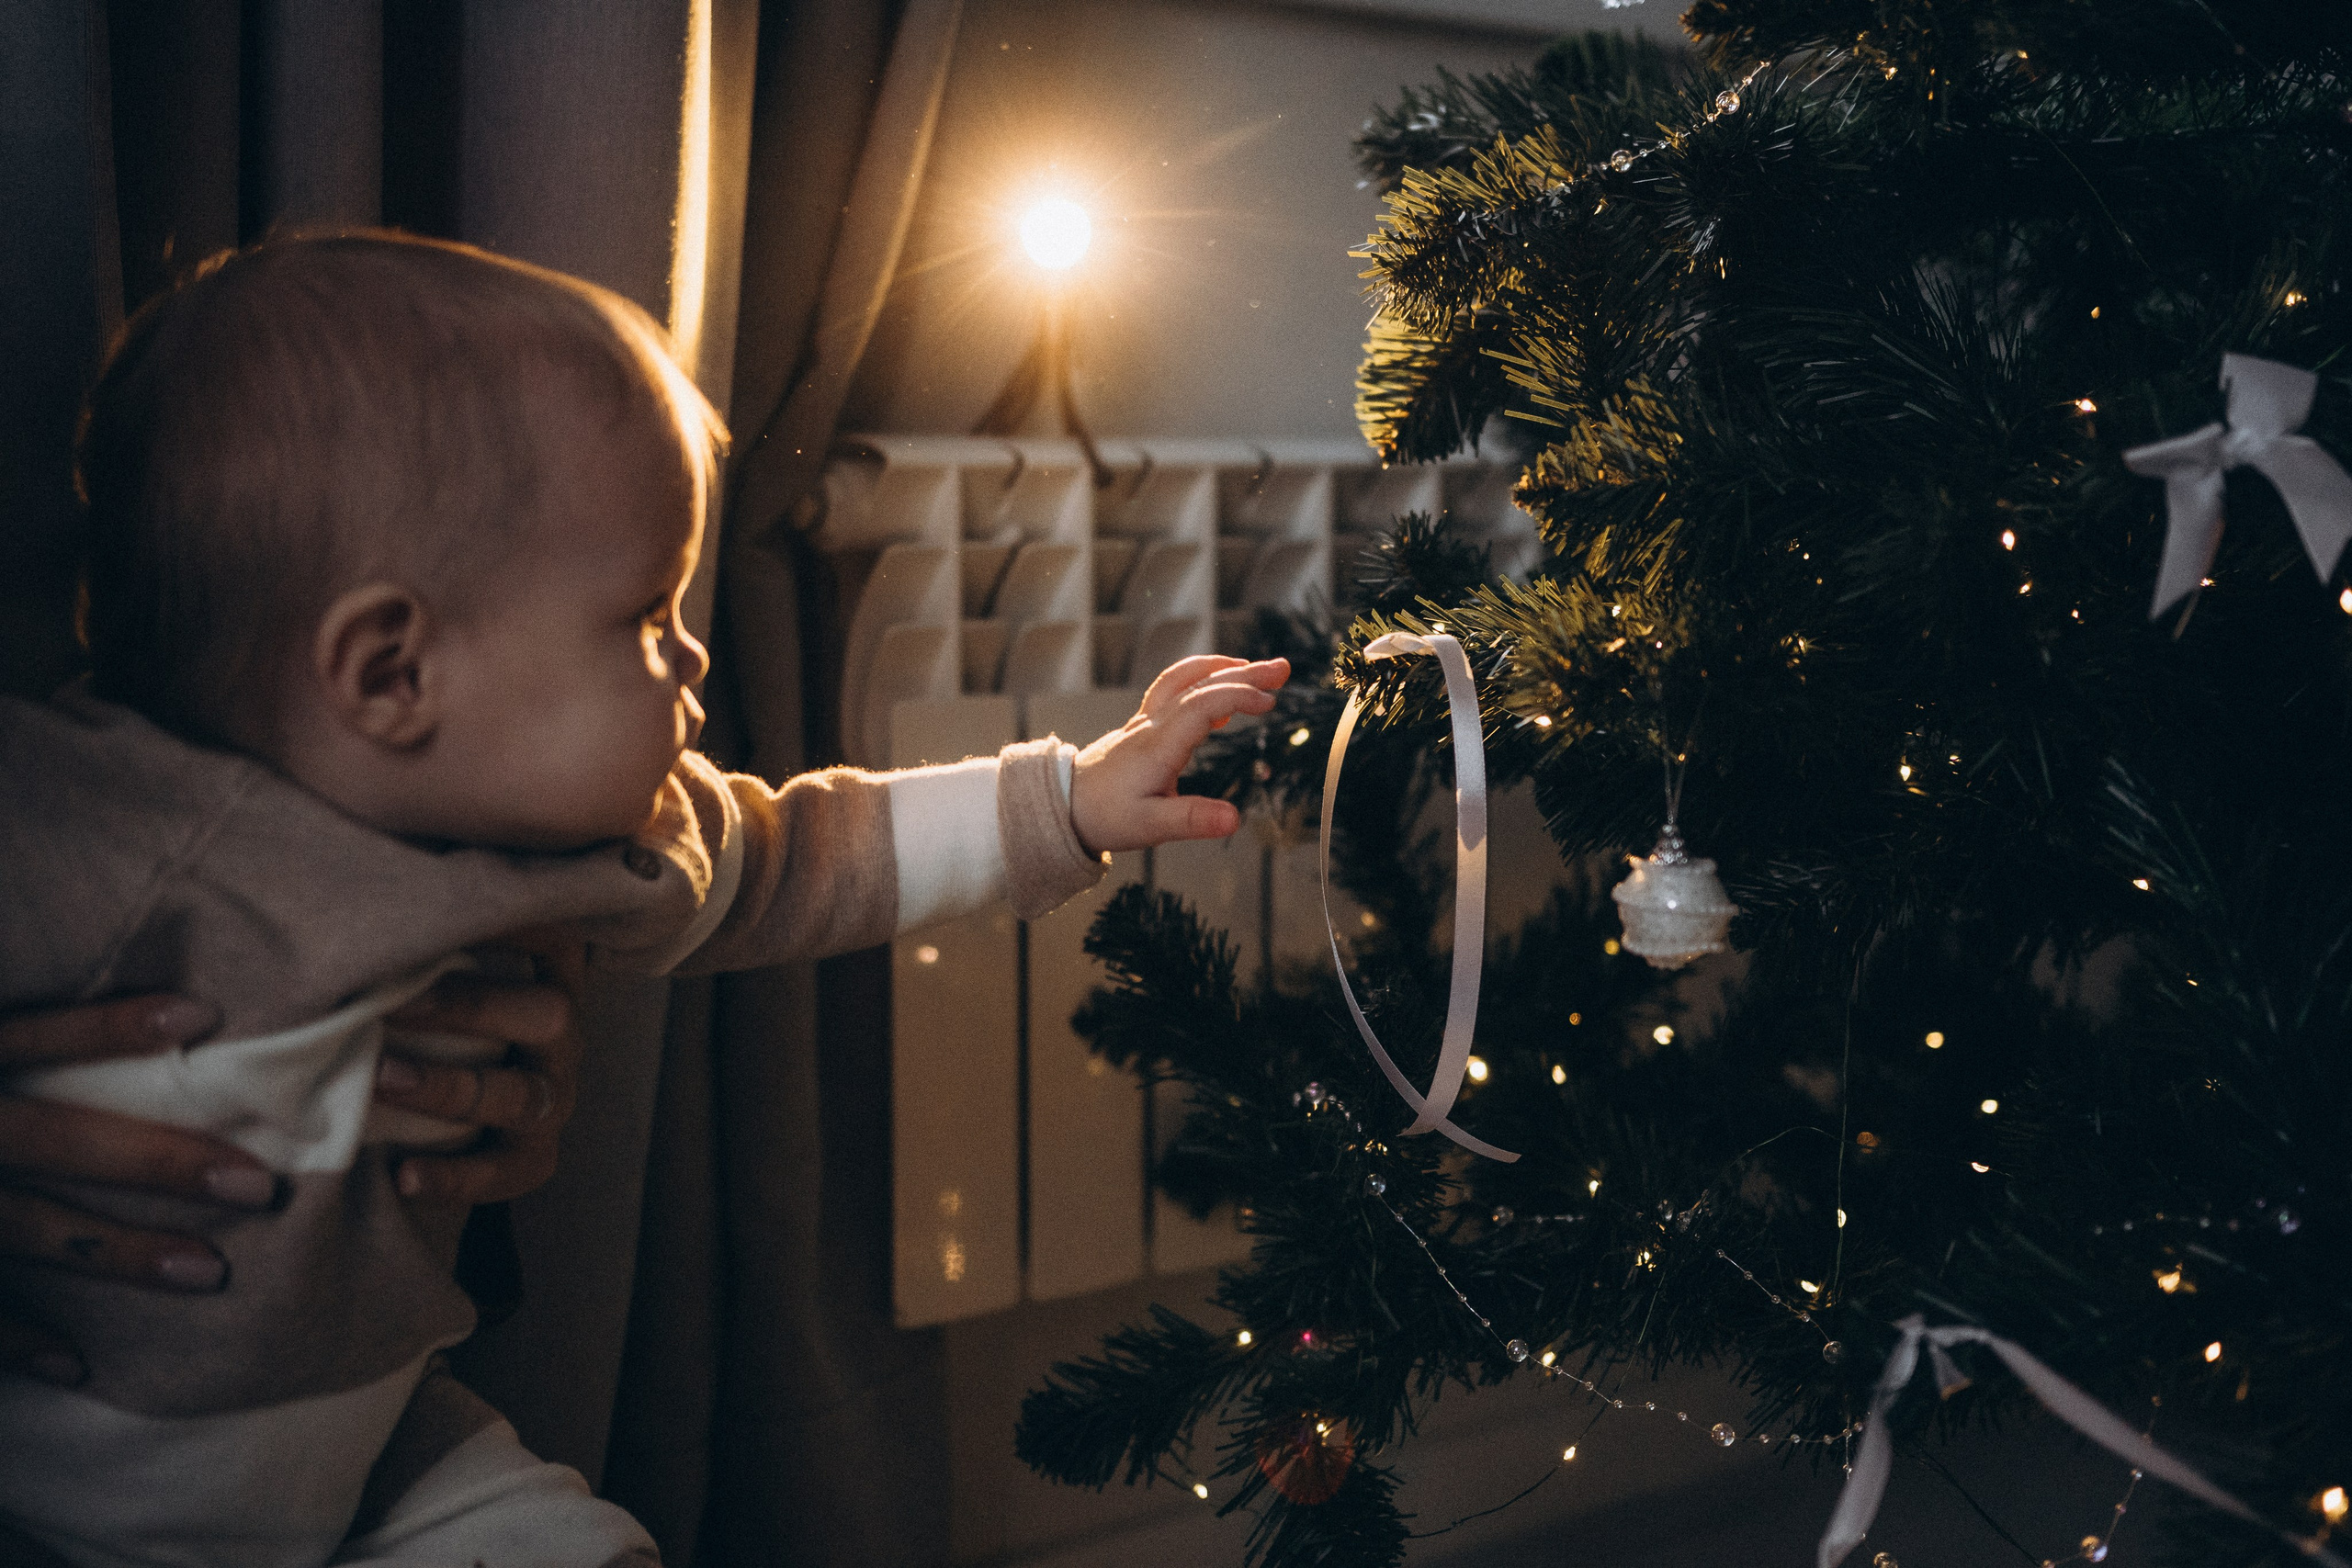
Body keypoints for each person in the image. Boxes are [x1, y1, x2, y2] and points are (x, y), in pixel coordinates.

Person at [0, 231, 1287, 1568]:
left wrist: (1068, 800)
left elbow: (804, 856)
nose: (693, 653)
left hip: (378, 1447)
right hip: (66, 1503)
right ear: (390, 674)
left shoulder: (577, 845)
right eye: (642, 614)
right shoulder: (102, 830)